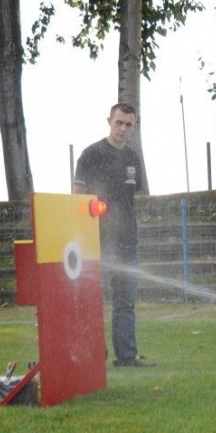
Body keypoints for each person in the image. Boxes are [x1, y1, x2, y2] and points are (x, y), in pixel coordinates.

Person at [73, 103, 156, 367]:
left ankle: (127, 357)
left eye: (128, 124)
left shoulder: (133, 158)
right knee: (95, 300)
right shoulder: (91, 154)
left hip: (128, 241)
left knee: (125, 301)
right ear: (109, 120)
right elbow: (77, 196)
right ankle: (96, 356)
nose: (122, 129)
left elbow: (131, 198)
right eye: (119, 122)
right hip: (98, 240)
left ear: (134, 127)